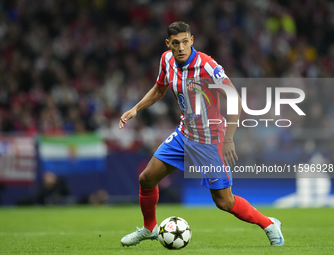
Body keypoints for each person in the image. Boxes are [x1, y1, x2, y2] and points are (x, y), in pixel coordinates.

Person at [119, 21, 284, 247]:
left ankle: (269, 224)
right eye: (175, 43)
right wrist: (136, 108)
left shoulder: (208, 66)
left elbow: (235, 100)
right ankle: (149, 229)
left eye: (185, 42)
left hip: (210, 140)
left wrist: (228, 139)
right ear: (168, 44)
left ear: (192, 41)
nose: (181, 48)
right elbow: (159, 89)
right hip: (184, 134)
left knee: (224, 202)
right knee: (146, 179)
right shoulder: (166, 60)